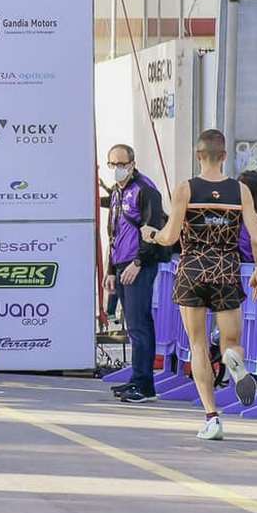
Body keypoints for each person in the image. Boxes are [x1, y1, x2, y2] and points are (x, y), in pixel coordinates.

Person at [150, 130, 257, 440]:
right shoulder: (240, 191)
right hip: (226, 270)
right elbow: (256, 238)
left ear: (198, 155)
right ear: (224, 156)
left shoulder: (185, 189)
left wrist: (153, 235)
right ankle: (233, 360)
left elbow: (171, 236)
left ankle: (212, 418)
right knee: (231, 341)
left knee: (199, 344)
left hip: (192, 271)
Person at [100, 144, 168, 404]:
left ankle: (144, 385)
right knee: (132, 325)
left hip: (139, 264)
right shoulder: (118, 191)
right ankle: (137, 379)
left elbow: (153, 229)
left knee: (140, 325)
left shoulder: (145, 189)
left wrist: (139, 261)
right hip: (121, 264)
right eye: (112, 165)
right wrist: (110, 270)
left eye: (121, 164)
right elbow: (113, 231)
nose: (117, 169)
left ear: (132, 163)